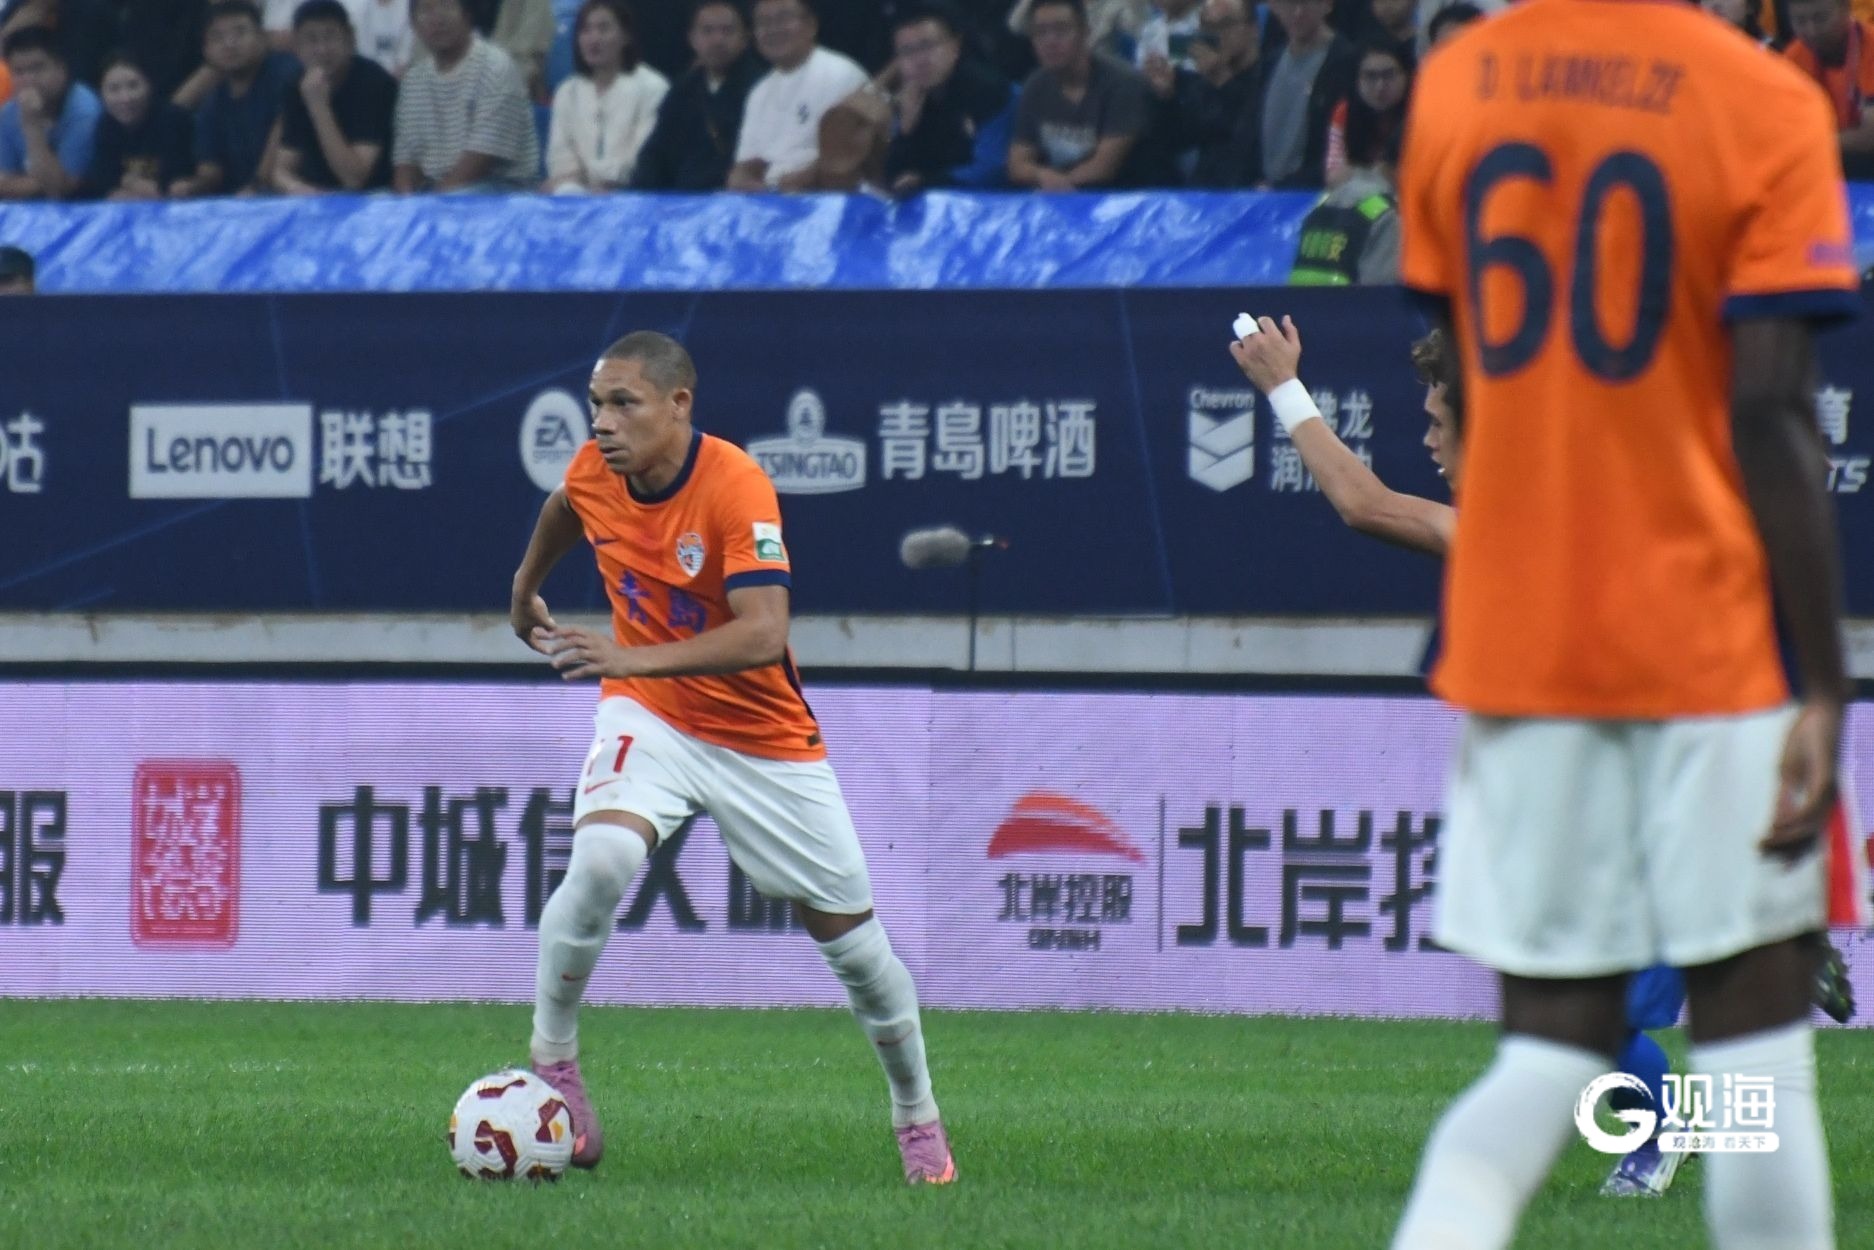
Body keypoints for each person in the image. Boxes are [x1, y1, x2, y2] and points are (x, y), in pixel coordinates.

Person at [1391, 0, 1861, 1245]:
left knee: (1542, 1062)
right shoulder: (1763, 99)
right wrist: (1823, 680)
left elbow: (1463, 365)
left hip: (1522, 639)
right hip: (1710, 637)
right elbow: (1769, 409)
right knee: (1755, 1069)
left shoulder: (1458, 83)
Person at [509, 330, 956, 1188]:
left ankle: (917, 1116)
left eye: (624, 403)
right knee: (600, 859)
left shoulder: (735, 483)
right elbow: (565, 507)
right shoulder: (597, 468)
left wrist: (627, 656)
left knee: (859, 955)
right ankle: (553, 1063)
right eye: (597, 403)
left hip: (762, 740)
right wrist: (524, 586)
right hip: (651, 714)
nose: (602, 422)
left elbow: (763, 633)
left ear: (679, 404)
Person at [392, 0, 539, 192]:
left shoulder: (496, 67)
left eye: (446, 6)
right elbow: (405, 161)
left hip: (499, 189)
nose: (437, 19)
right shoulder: (413, 80)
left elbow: (480, 161)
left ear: (467, 14)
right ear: (413, 24)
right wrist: (404, 201)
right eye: (426, 10)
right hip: (437, 189)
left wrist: (430, 203)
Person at [1007, 0, 1154, 189]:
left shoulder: (1123, 83)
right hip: (1060, 193)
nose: (1050, 41)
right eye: (1040, 32)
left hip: (1124, 195)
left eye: (1061, 30)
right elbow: (1018, 164)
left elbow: (1103, 167)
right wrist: (1041, 175)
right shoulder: (1035, 85)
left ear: (1086, 32)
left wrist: (1058, 185)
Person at [726, 0, 868, 191]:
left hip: (828, 196)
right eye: (764, 22)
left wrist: (806, 178)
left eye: (783, 18)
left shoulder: (842, 75)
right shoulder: (758, 92)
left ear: (811, 26)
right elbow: (748, 163)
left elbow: (852, 155)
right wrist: (740, 178)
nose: (773, 29)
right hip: (772, 196)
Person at [882, 3, 1017, 193]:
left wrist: (927, 182)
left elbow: (993, 169)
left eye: (927, 46)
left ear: (955, 47)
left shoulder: (990, 91)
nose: (920, 60)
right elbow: (891, 177)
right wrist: (905, 130)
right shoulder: (908, 100)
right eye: (907, 51)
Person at [631, 0, 761, 191]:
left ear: (745, 38)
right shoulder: (682, 90)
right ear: (692, 39)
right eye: (707, 31)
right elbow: (656, 152)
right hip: (683, 198)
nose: (717, 40)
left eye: (727, 31)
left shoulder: (760, 87)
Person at [174, 0, 298, 196]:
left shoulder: (287, 74)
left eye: (240, 32)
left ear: (262, 38)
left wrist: (257, 185)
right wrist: (191, 186)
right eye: (218, 37)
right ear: (206, 51)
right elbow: (211, 170)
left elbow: (285, 127)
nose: (229, 44)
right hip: (241, 200)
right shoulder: (212, 105)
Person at [544, 0, 669, 193]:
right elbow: (560, 159)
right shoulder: (567, 92)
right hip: (577, 191)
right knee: (565, 192)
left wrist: (592, 177)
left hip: (633, 193)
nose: (594, 39)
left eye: (603, 29)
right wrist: (577, 181)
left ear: (625, 36)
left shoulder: (653, 87)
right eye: (586, 30)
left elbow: (641, 160)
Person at [273, 0, 398, 193]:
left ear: (350, 39)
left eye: (330, 37)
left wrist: (318, 106)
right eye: (311, 40)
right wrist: (300, 189)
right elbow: (280, 170)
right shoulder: (296, 84)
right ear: (297, 46)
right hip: (318, 194)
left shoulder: (374, 83)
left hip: (375, 196)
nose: (322, 49)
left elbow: (354, 178)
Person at [1145, 0, 1262, 186]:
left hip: (1247, 186)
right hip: (1203, 188)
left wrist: (1222, 79)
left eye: (1225, 24)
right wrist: (1166, 97)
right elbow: (1180, 139)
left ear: (1253, 29)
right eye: (1208, 27)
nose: (1216, 35)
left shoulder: (1269, 76)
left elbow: (1246, 136)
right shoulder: (1203, 82)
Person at [1259, 0, 1355, 189]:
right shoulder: (1269, 63)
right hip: (1265, 193)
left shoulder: (1346, 62)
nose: (1297, 12)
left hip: (1315, 191)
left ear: (1327, 4)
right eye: (1289, 4)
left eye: (1306, 3)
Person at [0, 25, 97, 199]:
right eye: (19, 72)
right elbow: (4, 180)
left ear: (61, 68)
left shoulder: (84, 111)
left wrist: (31, 126)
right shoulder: (9, 112)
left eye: (37, 68)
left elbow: (59, 189)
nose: (29, 80)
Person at [83, 53, 195, 199]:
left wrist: (130, 183)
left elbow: (177, 180)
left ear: (149, 86)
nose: (125, 98)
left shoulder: (174, 121)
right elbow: (104, 182)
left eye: (133, 86)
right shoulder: (105, 126)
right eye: (114, 89)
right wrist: (128, 186)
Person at [1785, 0, 1874, 180]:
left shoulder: (1870, 46)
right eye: (1800, 21)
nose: (1811, 31)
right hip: (1821, 164)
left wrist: (1805, 142)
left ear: (1846, 10)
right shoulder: (1791, 59)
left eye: (1821, 18)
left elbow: (1869, 137)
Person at [1323, 40, 1408, 188]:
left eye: (1389, 75)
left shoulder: (1421, 111)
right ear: (1356, 80)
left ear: (1406, 76)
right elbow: (1333, 174)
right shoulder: (1343, 111)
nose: (1380, 86)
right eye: (1370, 76)